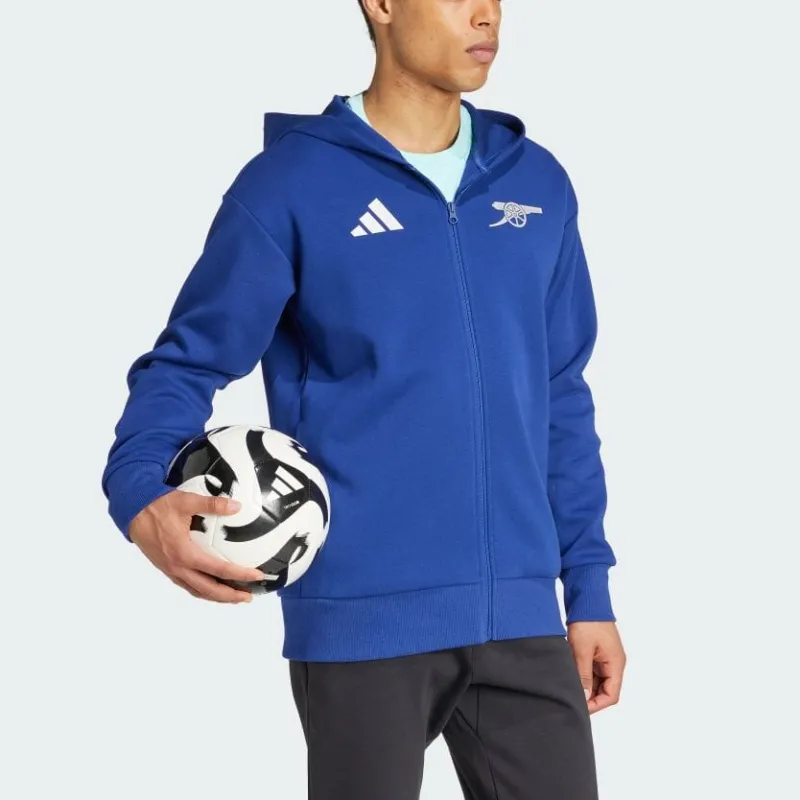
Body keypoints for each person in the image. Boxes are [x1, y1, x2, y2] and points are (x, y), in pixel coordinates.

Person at [100, 0, 626, 797]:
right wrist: (140, 491)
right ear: (381, 4)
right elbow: (187, 362)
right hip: (360, 620)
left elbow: (560, 393)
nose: (487, 14)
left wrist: (588, 589)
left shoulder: (537, 183)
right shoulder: (290, 185)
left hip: (523, 617)